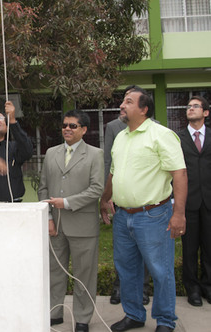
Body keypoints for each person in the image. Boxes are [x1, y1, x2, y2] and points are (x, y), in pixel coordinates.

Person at [100, 86, 187, 332]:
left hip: (154, 216)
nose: (122, 105)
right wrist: (105, 200)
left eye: (128, 101)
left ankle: (165, 320)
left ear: (143, 109)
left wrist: (179, 213)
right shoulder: (121, 136)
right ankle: (134, 315)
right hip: (123, 215)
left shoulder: (161, 135)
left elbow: (179, 174)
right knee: (127, 270)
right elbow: (114, 174)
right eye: (123, 101)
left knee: (160, 271)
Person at [38, 110, 104, 332]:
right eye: (65, 125)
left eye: (73, 126)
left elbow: (96, 189)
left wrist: (65, 202)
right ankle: (54, 312)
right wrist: (48, 216)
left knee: (84, 274)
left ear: (84, 130)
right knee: (54, 272)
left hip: (83, 226)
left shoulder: (95, 154)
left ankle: (83, 318)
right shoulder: (50, 153)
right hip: (54, 225)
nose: (67, 128)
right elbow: (43, 187)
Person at [105, 114, 151, 306]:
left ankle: (143, 289)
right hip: (121, 204)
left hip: (147, 204)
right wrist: (106, 196)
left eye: (129, 100)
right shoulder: (114, 127)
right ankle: (120, 286)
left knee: (146, 250)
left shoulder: (155, 129)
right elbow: (109, 162)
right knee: (122, 251)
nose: (123, 106)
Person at [177, 95, 211, 307]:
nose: (190, 109)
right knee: (189, 248)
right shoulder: (178, 138)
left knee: (209, 247)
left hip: (209, 201)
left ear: (206, 113)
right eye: (188, 106)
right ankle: (193, 289)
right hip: (187, 202)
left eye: (195, 106)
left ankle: (208, 286)